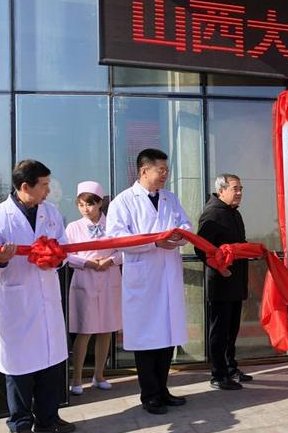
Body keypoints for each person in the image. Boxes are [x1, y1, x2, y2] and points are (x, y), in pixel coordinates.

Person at [106, 148, 192, 414]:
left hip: (168, 276)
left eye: (167, 170)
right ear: (144, 171)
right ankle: (150, 395)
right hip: (143, 280)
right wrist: (155, 242)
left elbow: (186, 225)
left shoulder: (170, 198)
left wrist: (179, 236)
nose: (165, 175)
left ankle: (163, 390)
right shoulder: (123, 201)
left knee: (167, 335)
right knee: (146, 339)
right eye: (161, 170)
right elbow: (117, 239)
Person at [0, 160, 75, 433]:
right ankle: (20, 424)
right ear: (25, 186)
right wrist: (2, 260)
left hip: (47, 301)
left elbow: (65, 248)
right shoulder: (1, 216)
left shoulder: (51, 212)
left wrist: (55, 258)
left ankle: (47, 420)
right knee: (19, 370)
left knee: (51, 365)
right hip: (16, 304)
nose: (48, 191)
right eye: (43, 185)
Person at [195, 174, 253, 390]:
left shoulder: (234, 213)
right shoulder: (212, 214)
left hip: (236, 281)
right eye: (235, 189)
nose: (239, 193)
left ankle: (230, 368)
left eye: (241, 189)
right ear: (221, 191)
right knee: (219, 331)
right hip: (221, 282)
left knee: (232, 329)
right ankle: (218, 375)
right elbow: (201, 248)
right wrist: (221, 267)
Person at [65, 181, 122, 395]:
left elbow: (124, 249)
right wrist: (87, 263)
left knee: (106, 329)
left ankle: (99, 375)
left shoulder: (114, 224)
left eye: (89, 204)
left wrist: (111, 260)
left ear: (99, 203)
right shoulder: (73, 227)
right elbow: (66, 254)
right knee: (85, 330)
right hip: (85, 279)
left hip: (109, 277)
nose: (85, 209)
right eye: (81, 205)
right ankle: (77, 379)